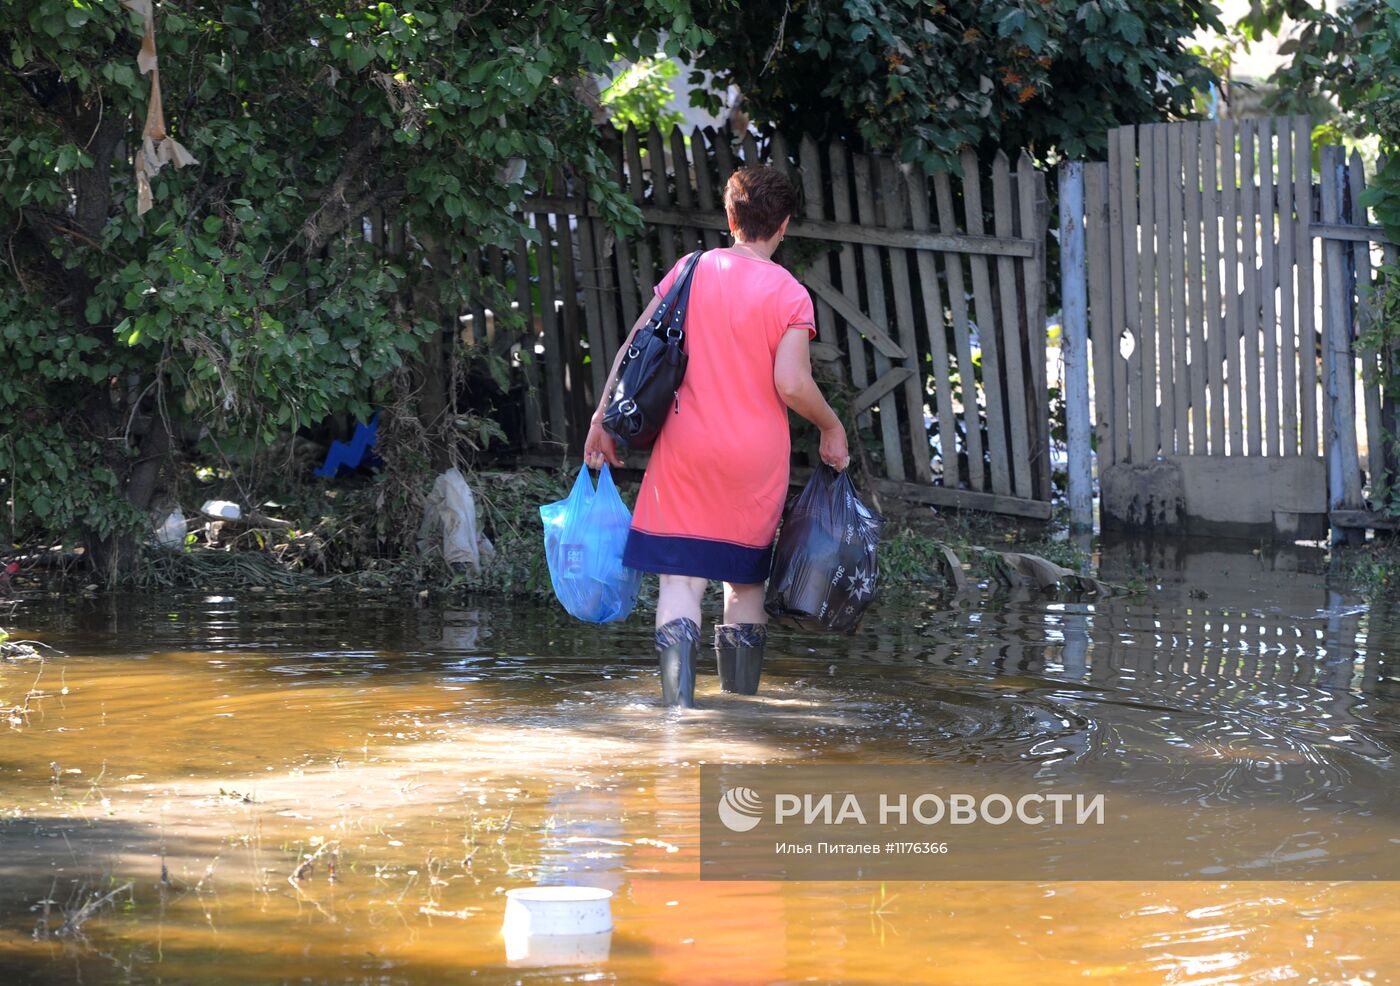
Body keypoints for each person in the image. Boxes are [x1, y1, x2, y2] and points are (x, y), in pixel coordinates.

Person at [583, 165, 850, 708]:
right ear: (785, 226)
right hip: (754, 459)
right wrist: (831, 424)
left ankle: (678, 713)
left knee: (680, 582)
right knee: (745, 585)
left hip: (686, 449)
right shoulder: (791, 293)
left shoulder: (691, 269)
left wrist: (599, 418)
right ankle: (739, 710)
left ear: (730, 218)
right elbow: (792, 383)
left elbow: (636, 345)